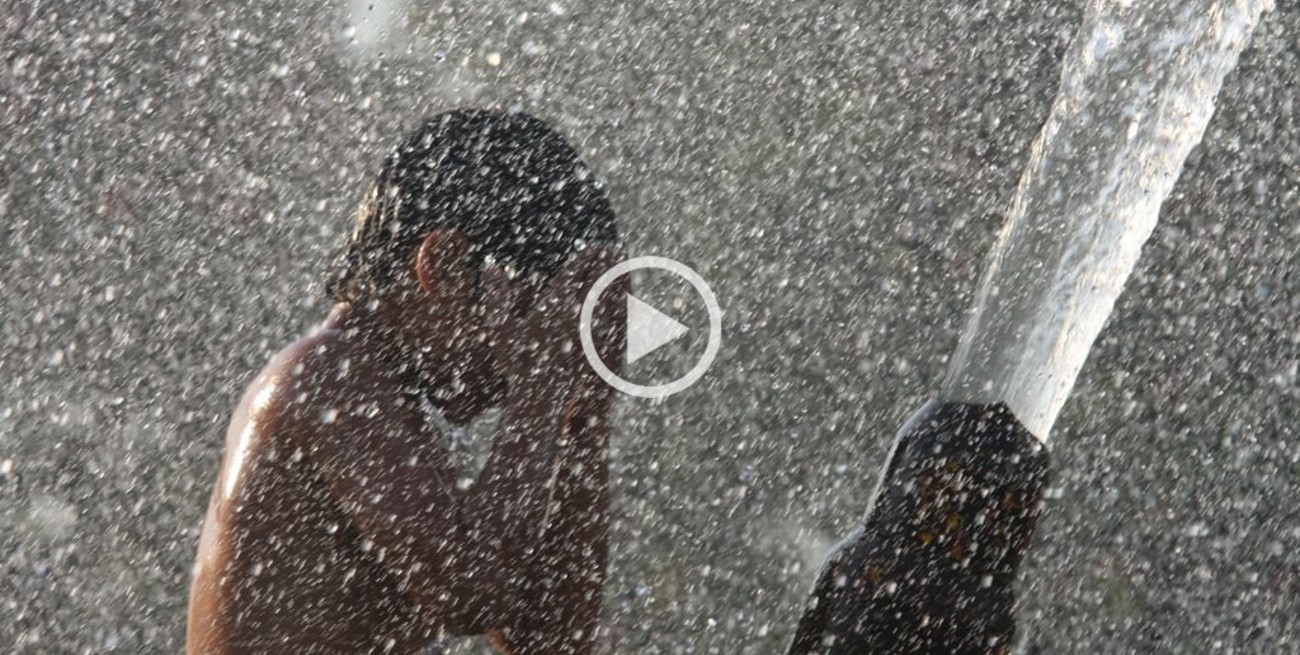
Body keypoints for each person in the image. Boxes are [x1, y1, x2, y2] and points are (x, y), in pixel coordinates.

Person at [186, 109, 625, 655]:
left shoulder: (402, 410)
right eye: (528, 319)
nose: (523, 357)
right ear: (441, 264)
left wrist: (585, 414)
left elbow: (547, 642)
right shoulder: (326, 380)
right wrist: (542, 382)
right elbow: (471, 595)